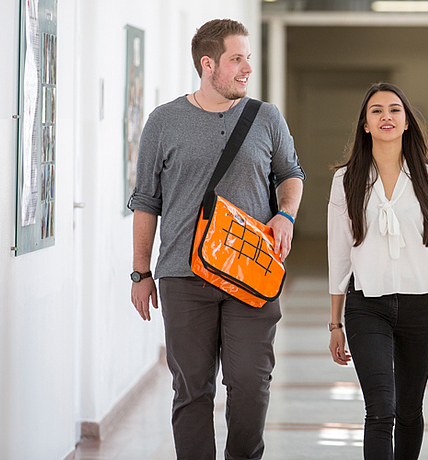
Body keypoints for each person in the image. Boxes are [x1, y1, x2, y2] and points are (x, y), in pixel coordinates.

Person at [128, 19, 304, 460]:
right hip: (183, 277)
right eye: (237, 59)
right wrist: (140, 272)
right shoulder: (164, 122)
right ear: (208, 64)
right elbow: (146, 202)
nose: (247, 68)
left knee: (250, 385)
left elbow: (292, 175)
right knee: (192, 389)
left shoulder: (266, 117)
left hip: (252, 274)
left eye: (248, 57)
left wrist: (285, 214)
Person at [326, 82, 428, 460]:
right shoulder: (345, 181)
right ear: (365, 125)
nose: (385, 116)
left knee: (408, 411)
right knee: (380, 410)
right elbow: (338, 255)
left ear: (407, 123)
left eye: (394, 110)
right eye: (376, 111)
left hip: (421, 307)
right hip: (366, 305)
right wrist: (335, 323)